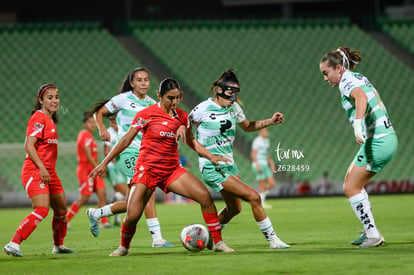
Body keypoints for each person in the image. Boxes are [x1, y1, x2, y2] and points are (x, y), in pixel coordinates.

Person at [90, 78, 234, 256]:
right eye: (170, 98)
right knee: (133, 215)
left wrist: (211, 156)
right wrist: (104, 162)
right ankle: (123, 247)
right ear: (159, 95)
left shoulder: (181, 116)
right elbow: (126, 139)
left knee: (204, 197)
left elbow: (191, 141)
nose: (174, 102)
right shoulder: (146, 114)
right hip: (147, 170)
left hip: (171, 170)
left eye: (178, 98)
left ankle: (218, 242)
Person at [189, 69, 290, 249]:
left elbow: (248, 126)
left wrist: (270, 121)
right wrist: (209, 155)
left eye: (236, 93)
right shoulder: (201, 110)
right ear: (219, 90)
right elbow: (187, 134)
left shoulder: (234, 108)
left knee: (235, 209)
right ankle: (273, 241)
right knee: (254, 197)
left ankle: (207, 238)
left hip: (229, 165)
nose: (233, 97)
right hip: (212, 167)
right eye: (230, 92)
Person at [319, 46, 398, 248]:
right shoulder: (357, 76)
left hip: (378, 140)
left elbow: (361, 97)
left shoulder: (346, 81)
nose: (325, 78)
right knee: (352, 182)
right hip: (385, 137)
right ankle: (369, 230)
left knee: (350, 186)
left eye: (326, 73)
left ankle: (373, 234)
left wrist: (358, 122)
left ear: (338, 68)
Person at [87, 67, 172, 247]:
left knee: (134, 203)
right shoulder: (123, 99)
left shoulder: (151, 103)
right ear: (132, 83)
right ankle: (157, 239)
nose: (143, 83)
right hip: (126, 152)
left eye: (146, 80)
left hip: (145, 155)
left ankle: (97, 214)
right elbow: (99, 112)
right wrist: (102, 129)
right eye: (139, 80)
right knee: (147, 191)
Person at [3, 84, 75, 257]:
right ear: (41, 100)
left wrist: (47, 169)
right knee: (42, 209)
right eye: (50, 98)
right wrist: (42, 167)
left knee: (61, 210)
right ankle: (13, 243)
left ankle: (58, 246)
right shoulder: (38, 117)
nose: (55, 101)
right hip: (35, 171)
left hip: (49, 172)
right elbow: (28, 145)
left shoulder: (50, 120)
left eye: (56, 97)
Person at [66, 111, 111, 227]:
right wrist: (98, 168)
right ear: (84, 124)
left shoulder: (90, 137)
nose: (93, 125)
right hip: (86, 170)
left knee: (102, 193)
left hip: (93, 169)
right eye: (90, 122)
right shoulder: (84, 135)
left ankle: (104, 222)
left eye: (94, 122)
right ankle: (65, 220)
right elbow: (88, 155)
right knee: (85, 196)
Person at [103, 115, 128, 226]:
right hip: (113, 167)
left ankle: (116, 218)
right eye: (112, 123)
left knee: (121, 194)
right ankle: (109, 208)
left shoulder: (124, 130)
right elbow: (106, 151)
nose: (114, 125)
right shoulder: (109, 133)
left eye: (115, 122)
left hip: (122, 165)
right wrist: (112, 161)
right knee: (123, 192)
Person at [251, 128, 276, 209]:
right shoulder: (257, 141)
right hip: (259, 164)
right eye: (264, 131)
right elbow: (253, 154)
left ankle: (259, 196)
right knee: (262, 185)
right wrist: (257, 165)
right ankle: (262, 202)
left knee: (272, 183)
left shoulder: (267, 141)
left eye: (266, 131)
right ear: (260, 132)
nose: (266, 132)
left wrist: (271, 163)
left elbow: (267, 153)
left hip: (265, 165)